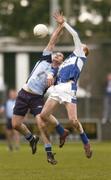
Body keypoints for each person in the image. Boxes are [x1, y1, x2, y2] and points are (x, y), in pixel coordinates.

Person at [37, 12, 92, 164]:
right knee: (43, 115)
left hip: (68, 88)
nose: (81, 45)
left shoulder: (80, 55)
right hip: (57, 88)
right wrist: (50, 76)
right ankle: (62, 132)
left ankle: (86, 142)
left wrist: (64, 23)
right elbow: (54, 71)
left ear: (84, 51)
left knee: (73, 120)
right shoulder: (67, 59)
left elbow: (74, 34)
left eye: (83, 46)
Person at [12, 13, 69, 156]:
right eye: (56, 54)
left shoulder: (59, 73)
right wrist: (61, 25)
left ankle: (49, 151)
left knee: (41, 122)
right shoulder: (45, 58)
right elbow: (53, 40)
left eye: (60, 56)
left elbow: (57, 82)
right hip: (24, 93)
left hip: (36, 98)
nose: (57, 55)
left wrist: (53, 77)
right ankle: (32, 139)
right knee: (16, 125)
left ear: (62, 61)